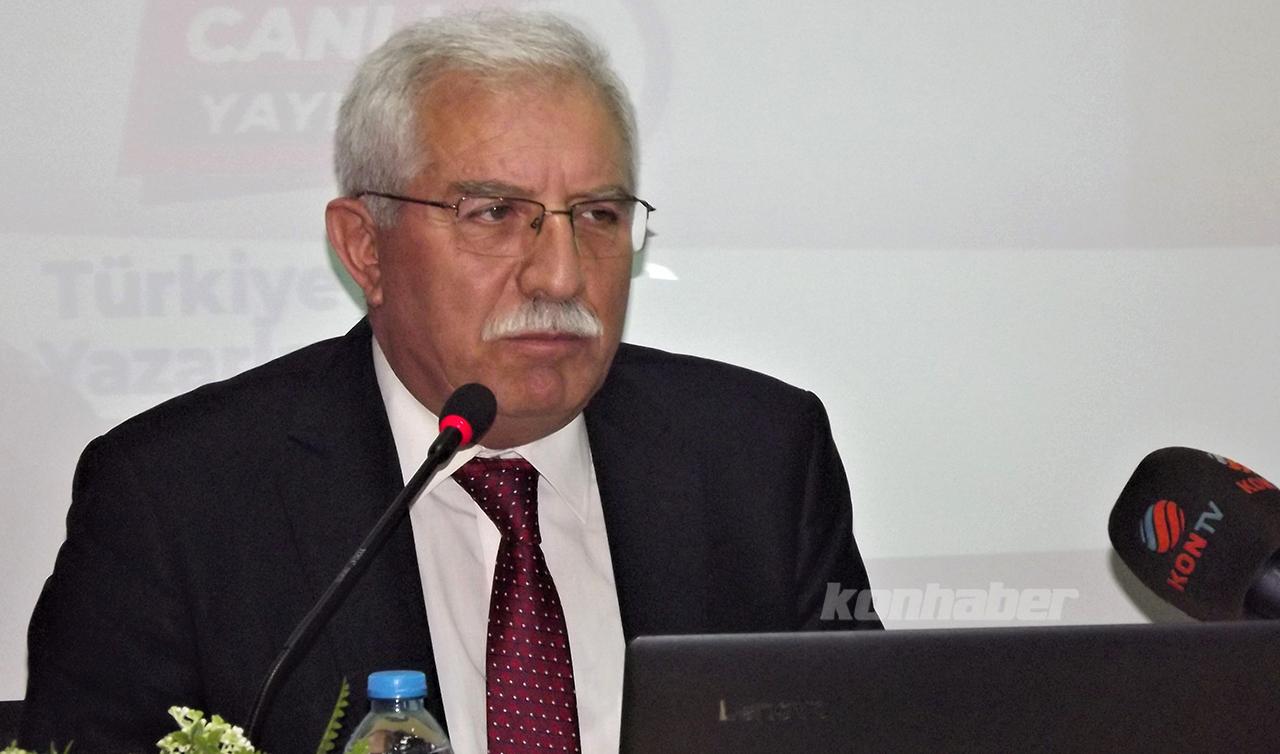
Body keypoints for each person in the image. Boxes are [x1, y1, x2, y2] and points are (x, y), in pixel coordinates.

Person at [21, 10, 879, 754]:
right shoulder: (174, 501)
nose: (560, 275)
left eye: (598, 215)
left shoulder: (760, 456)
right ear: (365, 247)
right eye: (495, 213)